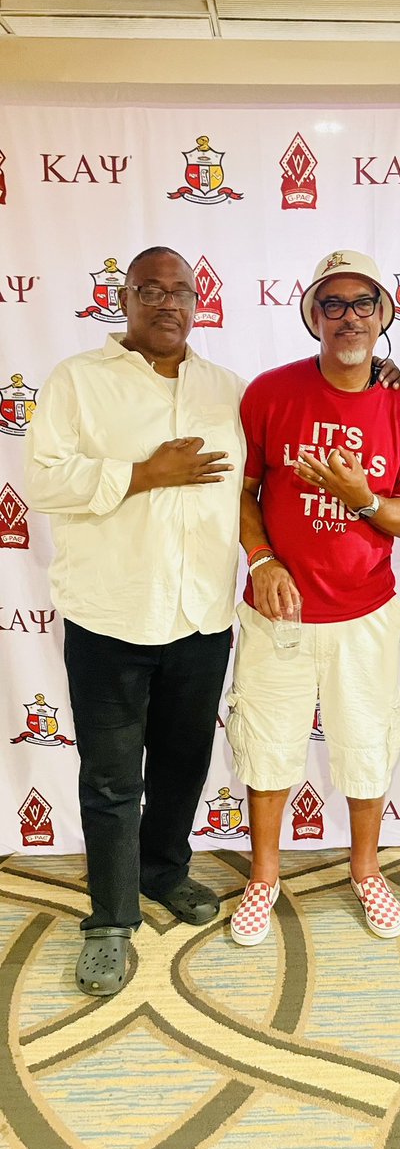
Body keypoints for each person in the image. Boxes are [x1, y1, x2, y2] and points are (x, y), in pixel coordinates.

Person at [24, 246, 246, 996]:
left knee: (184, 763)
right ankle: (110, 919)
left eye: (180, 291)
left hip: (201, 615)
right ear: (122, 300)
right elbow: (42, 481)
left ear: (198, 304)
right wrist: (146, 474)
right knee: (113, 779)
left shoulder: (225, 389)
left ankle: (163, 871)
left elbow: (271, 460)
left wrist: (378, 377)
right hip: (110, 616)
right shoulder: (77, 381)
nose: (167, 303)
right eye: (150, 290)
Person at [226, 249, 400, 946]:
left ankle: (366, 870)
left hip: (364, 612)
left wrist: (361, 496)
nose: (349, 317)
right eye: (334, 304)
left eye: (362, 303)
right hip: (277, 611)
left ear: (384, 316)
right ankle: (263, 877)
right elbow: (243, 491)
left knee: (366, 744)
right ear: (313, 316)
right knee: (267, 747)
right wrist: (261, 558)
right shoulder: (270, 393)